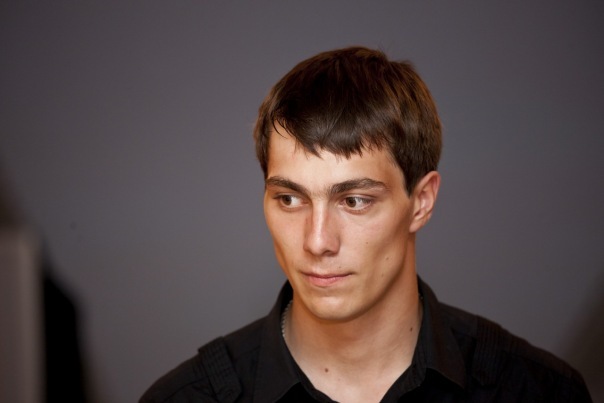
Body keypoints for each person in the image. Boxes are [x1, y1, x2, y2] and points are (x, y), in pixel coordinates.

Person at [140, 46, 591, 402]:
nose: (317, 241)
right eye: (290, 199)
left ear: (422, 202)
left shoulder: (537, 391)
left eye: (354, 201)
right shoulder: (185, 397)